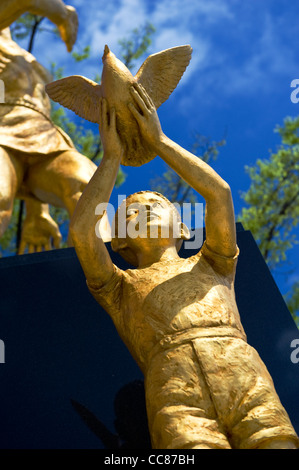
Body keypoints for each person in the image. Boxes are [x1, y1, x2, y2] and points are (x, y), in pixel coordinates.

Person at [69, 84, 299, 449]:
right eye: (131, 210)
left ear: (181, 227)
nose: (143, 207)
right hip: (173, 384)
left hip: (241, 370)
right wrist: (112, 157)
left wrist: (158, 141)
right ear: (120, 240)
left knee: (273, 442)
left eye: (156, 204)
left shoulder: (214, 263)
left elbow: (219, 192)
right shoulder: (118, 287)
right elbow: (82, 231)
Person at [0, 0, 109, 253]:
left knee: (88, 185)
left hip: (43, 135)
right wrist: (62, 13)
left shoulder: (24, 57)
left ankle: (103, 277)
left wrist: (37, 212)